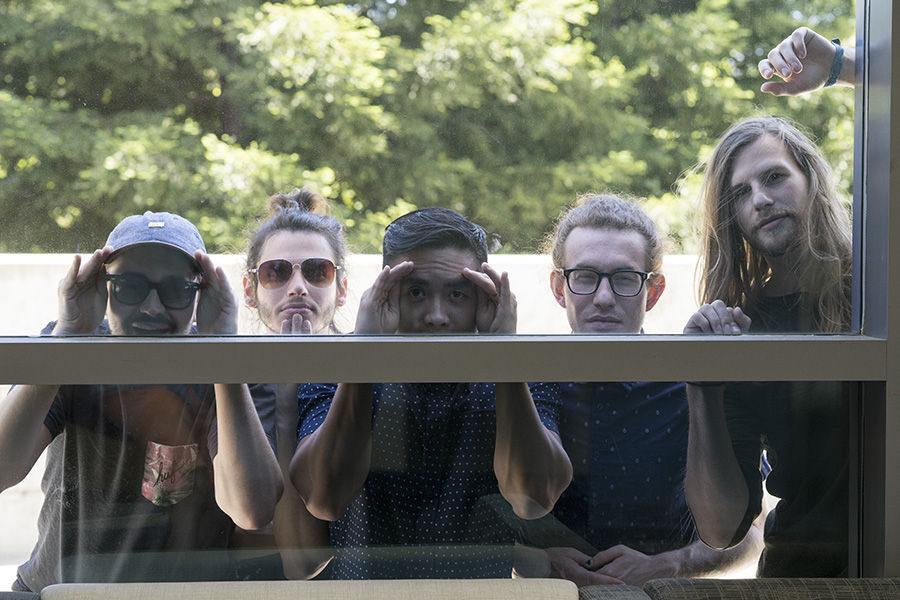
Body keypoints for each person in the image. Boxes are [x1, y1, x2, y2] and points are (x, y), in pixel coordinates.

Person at [0, 211, 283, 591]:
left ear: (201, 293)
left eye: (175, 289)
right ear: (104, 286)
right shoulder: (71, 350)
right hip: (62, 591)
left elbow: (252, 509)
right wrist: (68, 333)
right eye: (130, 286)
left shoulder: (229, 371)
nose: (152, 307)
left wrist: (222, 350)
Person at [288, 207, 573, 579]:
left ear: (483, 298)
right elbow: (324, 497)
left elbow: (534, 500)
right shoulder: (335, 367)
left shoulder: (522, 374)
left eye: (457, 294)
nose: (436, 315)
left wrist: (504, 356)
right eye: (417, 292)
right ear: (386, 292)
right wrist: (365, 353)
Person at [515, 194, 760, 586]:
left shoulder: (691, 388)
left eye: (625, 278)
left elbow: (748, 535)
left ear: (655, 290)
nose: (604, 298)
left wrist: (670, 564)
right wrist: (537, 559)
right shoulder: (524, 387)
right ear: (559, 288)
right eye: (585, 276)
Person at [684, 111, 853, 575]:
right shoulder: (744, 326)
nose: (760, 200)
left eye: (775, 177)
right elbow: (721, 529)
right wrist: (701, 382)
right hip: (802, 571)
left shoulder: (877, 286)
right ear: (731, 217)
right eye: (740, 193)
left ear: (811, 178)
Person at [235, 187, 349, 580]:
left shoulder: (357, 381)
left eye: (318, 271)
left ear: (342, 288)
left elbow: (305, 562)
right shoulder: (235, 385)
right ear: (250, 290)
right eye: (276, 272)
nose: (298, 286)